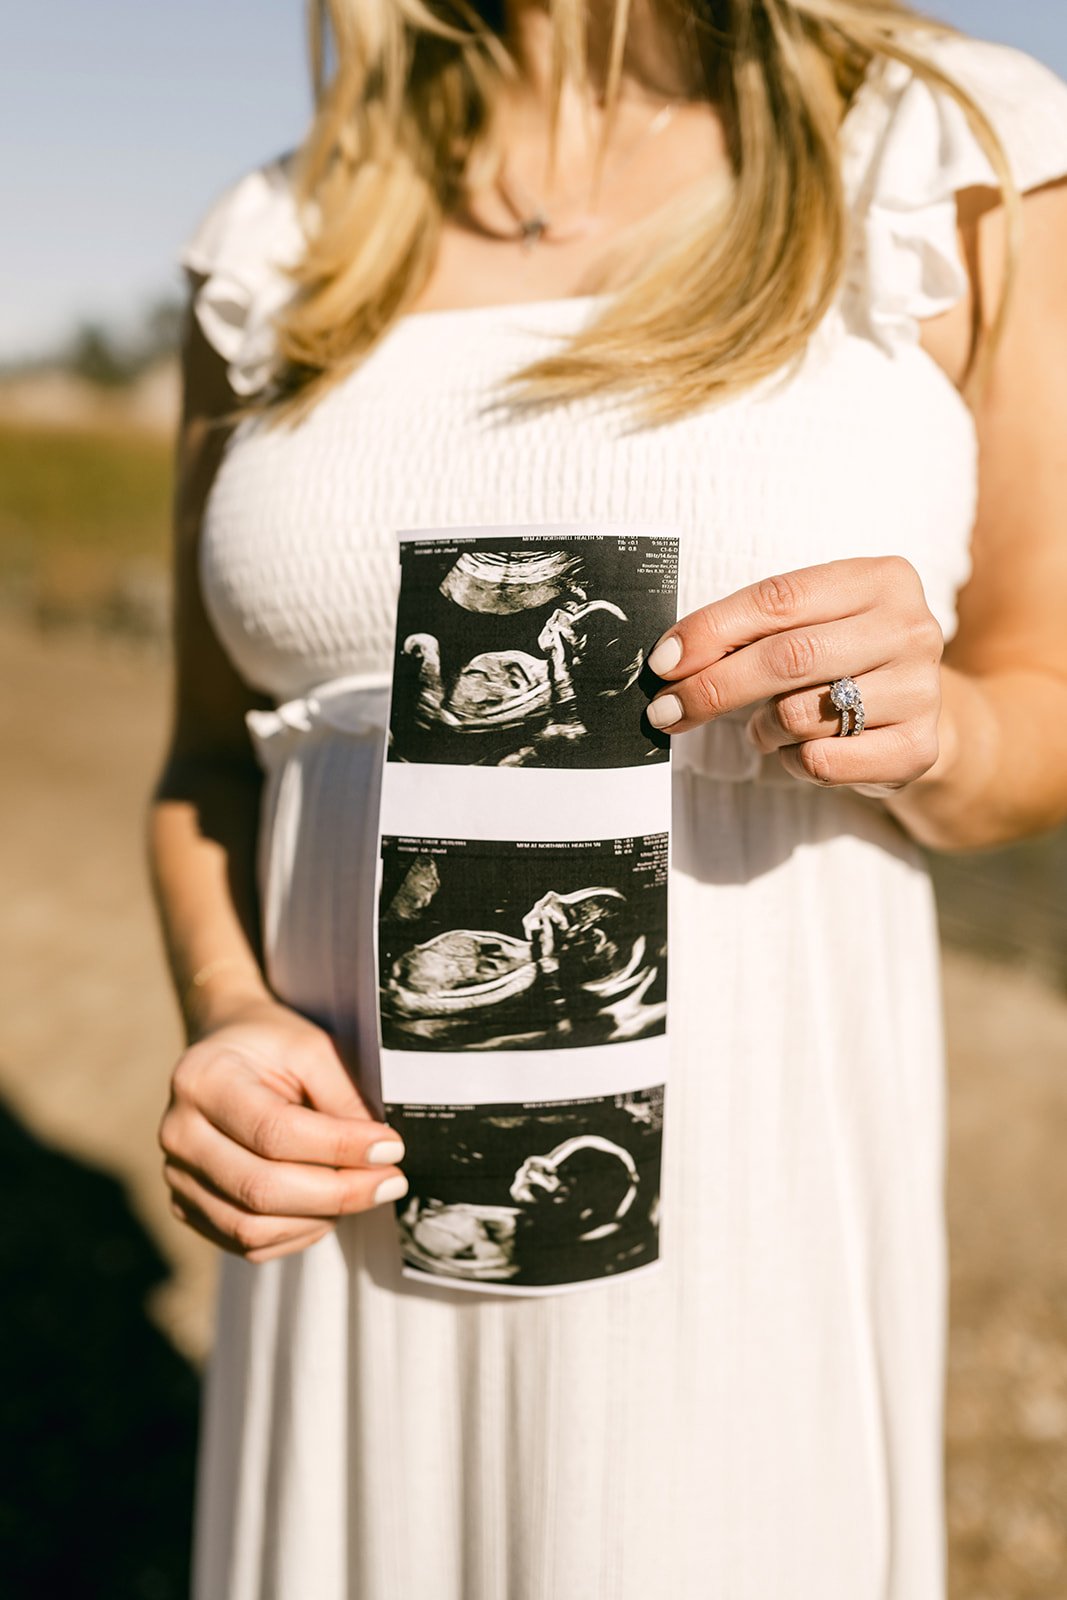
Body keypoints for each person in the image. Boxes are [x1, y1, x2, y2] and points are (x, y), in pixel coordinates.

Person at [148, 0, 1067, 1593]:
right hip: (352, 1218)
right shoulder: (281, 234)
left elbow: (1040, 704)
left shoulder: (953, 150)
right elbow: (211, 759)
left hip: (747, 1248)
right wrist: (230, 1006)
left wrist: (926, 726)